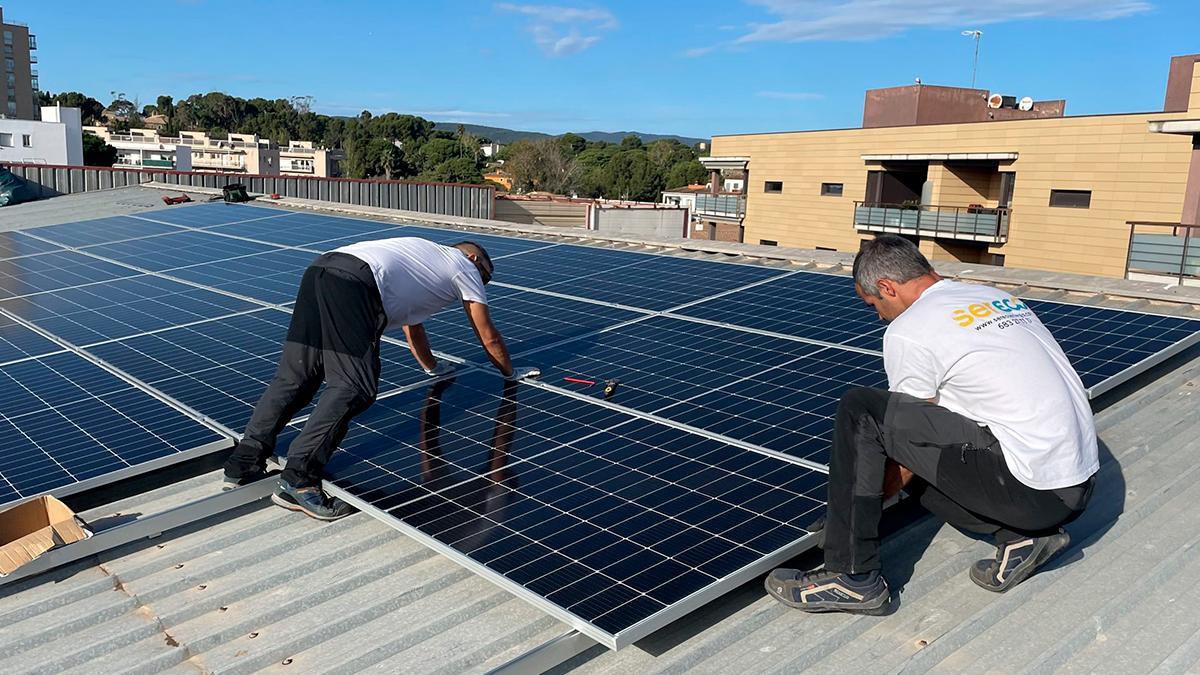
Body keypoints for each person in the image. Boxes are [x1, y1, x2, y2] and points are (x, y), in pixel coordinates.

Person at [766, 234, 1097, 615]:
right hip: (1077, 485)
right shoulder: (988, 295)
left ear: (888, 287)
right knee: (925, 449)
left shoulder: (911, 328)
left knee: (863, 410)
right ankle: (1023, 538)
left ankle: (852, 577)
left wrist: (853, 515)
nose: (878, 315)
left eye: (874, 303)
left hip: (1033, 492)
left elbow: (899, 441)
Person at [221, 237, 540, 520]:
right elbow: (487, 334)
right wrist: (511, 374)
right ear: (474, 259)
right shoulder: (463, 265)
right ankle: (298, 480)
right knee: (354, 386)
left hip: (321, 270)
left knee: (297, 377)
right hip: (355, 283)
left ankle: (243, 463)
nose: (482, 285)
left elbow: (413, 329)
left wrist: (434, 369)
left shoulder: (425, 263)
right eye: (485, 277)